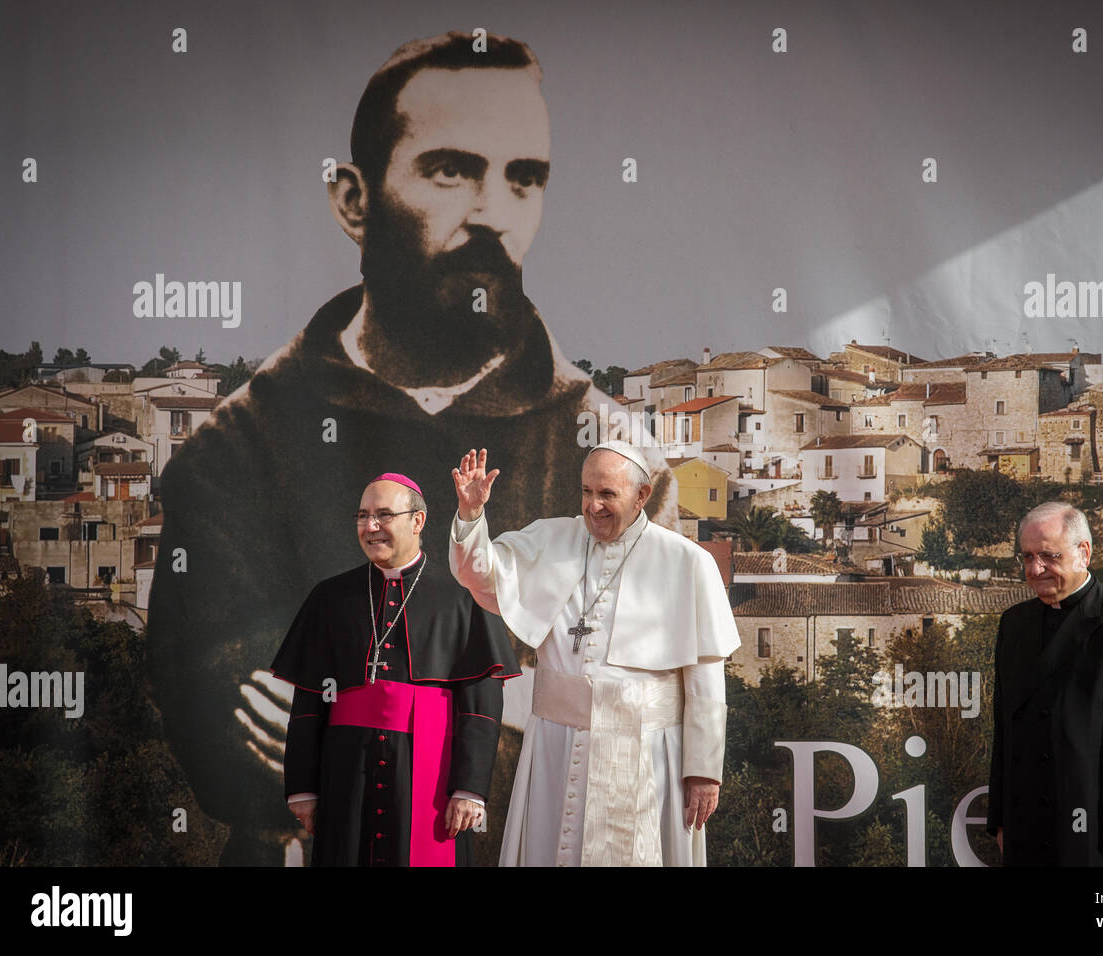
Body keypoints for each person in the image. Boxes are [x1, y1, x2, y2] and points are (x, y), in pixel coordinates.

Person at [146, 32, 675, 864]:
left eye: (523, 179)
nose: (493, 212)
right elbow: (209, 697)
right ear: (354, 200)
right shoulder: (235, 445)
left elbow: (622, 687)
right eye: (450, 169)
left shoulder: (611, 448)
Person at [448, 444, 739, 866]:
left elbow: (706, 683)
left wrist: (703, 771)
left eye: (608, 494)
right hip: (556, 746)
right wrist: (472, 516)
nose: (593, 506)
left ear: (642, 496)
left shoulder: (687, 562)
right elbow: (478, 573)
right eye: (586, 492)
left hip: (649, 752)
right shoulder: (551, 539)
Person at [270, 473, 518, 866]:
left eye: (384, 515)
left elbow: (481, 704)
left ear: (417, 521)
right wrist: (303, 787)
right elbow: (309, 699)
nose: (370, 527)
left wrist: (469, 788)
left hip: (429, 771)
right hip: (346, 771)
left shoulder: (461, 597)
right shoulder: (330, 597)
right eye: (363, 516)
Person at [987, 501, 1103, 866]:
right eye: (1026, 557)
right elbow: (1004, 728)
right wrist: (1001, 820)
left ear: (1083, 553)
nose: (1035, 568)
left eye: (1047, 556)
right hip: (1029, 825)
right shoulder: (1014, 623)